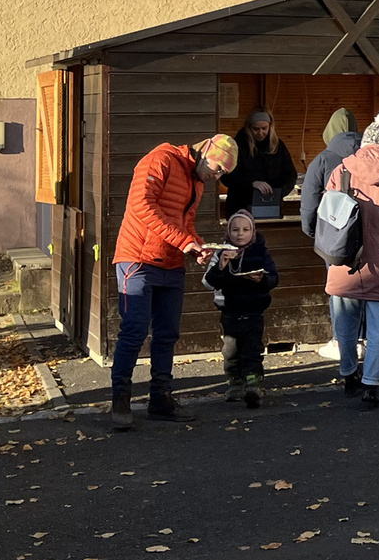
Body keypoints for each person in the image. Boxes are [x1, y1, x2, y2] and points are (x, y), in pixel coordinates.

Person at [109, 133, 238, 431]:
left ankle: (161, 398)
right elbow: (141, 205)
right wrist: (184, 241)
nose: (217, 176)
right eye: (217, 167)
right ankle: (121, 399)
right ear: (205, 151)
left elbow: (185, 222)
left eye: (223, 173)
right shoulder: (161, 159)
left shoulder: (197, 181)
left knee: (167, 334)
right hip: (138, 258)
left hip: (171, 262)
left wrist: (197, 245)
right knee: (134, 330)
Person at [328, 118, 379, 409]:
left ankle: (348, 373)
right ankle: (371, 385)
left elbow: (328, 211)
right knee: (378, 326)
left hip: (345, 256)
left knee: (345, 323)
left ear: (364, 144)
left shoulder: (342, 171)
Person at [202, 210, 279, 408]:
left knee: (252, 350)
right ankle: (235, 383)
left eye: (245, 229)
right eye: (235, 230)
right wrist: (221, 266)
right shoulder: (221, 253)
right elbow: (208, 282)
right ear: (229, 232)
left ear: (253, 232)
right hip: (230, 313)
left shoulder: (260, 252)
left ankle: (253, 385)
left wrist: (261, 279)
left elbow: (273, 278)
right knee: (230, 351)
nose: (240, 234)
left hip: (254, 311)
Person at [222, 108, 298, 219]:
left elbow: (290, 175)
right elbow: (227, 176)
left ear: (270, 127)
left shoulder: (278, 146)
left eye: (264, 128)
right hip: (240, 205)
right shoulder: (237, 146)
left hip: (271, 206)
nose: (260, 132)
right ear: (249, 128)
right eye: (256, 129)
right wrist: (252, 183)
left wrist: (276, 193)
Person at [298, 107, 361, 236]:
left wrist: (311, 231)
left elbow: (310, 199)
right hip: (365, 231)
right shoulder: (371, 157)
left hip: (331, 231)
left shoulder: (322, 160)